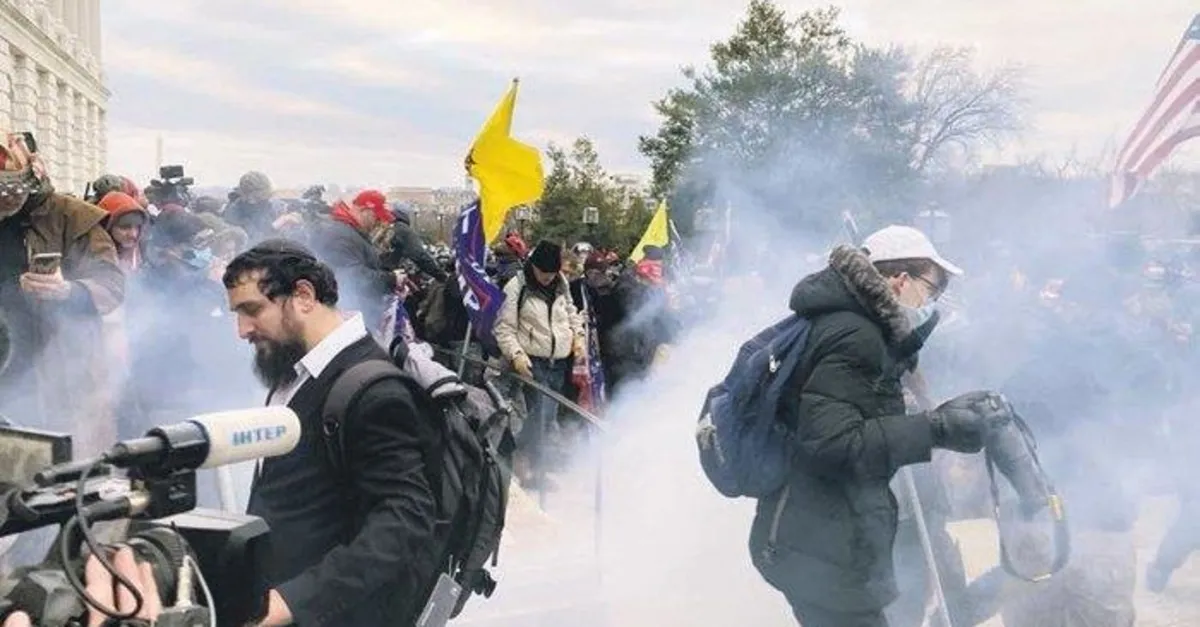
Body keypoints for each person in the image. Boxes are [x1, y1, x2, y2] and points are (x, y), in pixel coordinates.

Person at [749, 225, 1015, 627]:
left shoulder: (852, 324)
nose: (932, 301)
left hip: (822, 535)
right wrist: (934, 429)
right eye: (933, 288)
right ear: (900, 280)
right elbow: (831, 443)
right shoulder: (855, 334)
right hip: (826, 545)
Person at [223, 239, 444, 626]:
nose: (242, 330)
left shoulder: (372, 389)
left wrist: (293, 601)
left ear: (303, 296)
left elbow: (404, 520)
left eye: (252, 310)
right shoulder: (297, 372)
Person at [0, 131, 124, 453]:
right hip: (6, 364)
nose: (5, 200)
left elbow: (111, 284)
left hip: (62, 366)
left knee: (67, 461)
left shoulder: (70, 216)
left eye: (10, 189)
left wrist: (69, 290)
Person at [493, 240, 585, 487]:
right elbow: (504, 327)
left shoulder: (562, 284)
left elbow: (571, 313)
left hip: (560, 360)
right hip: (533, 360)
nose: (547, 278)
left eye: (552, 273)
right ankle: (526, 462)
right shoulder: (517, 286)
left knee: (547, 416)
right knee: (541, 414)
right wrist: (516, 355)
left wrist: (578, 337)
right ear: (533, 266)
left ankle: (530, 462)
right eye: (543, 272)